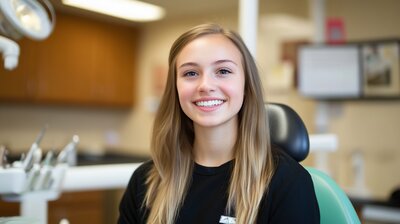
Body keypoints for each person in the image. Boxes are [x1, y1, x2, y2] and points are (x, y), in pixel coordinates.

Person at [118, 23, 320, 224]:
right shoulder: (146, 181)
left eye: (223, 71)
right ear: (176, 89)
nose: (205, 85)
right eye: (190, 73)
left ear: (246, 86)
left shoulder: (287, 182)